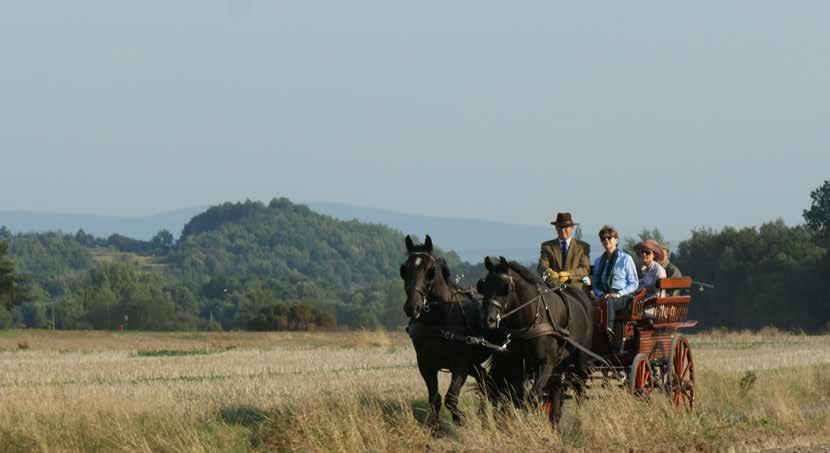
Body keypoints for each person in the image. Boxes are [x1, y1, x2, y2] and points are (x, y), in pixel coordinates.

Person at [591, 225, 638, 336]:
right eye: (603, 238)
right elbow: (595, 283)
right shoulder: (598, 261)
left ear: (616, 240)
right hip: (603, 295)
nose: (606, 240)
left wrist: (618, 294)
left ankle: (608, 334)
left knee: (608, 303)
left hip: (622, 297)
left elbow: (634, 283)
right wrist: (601, 294)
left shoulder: (626, 259)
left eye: (609, 237)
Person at [537, 212, 591, 288]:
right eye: (560, 227)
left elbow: (585, 269)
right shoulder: (547, 246)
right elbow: (541, 267)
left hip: (575, 290)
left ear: (572, 228)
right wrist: (548, 272)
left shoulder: (582, 247)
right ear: (556, 228)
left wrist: (569, 274)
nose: (562, 230)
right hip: (553, 290)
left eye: (565, 227)